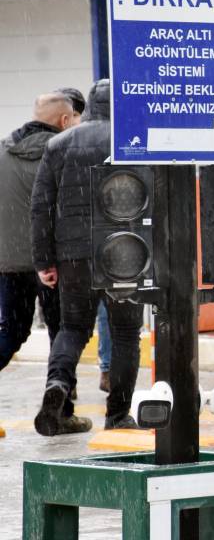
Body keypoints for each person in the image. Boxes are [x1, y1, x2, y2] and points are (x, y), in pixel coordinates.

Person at [31, 79, 146, 434]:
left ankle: (58, 386)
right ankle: (117, 414)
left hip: (74, 254)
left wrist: (44, 260)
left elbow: (40, 206)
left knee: (72, 328)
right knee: (126, 334)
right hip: (126, 251)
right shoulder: (135, 139)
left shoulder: (59, 143)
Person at [0, 92, 78, 372]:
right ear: (65, 119)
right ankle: (60, 403)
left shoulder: (3, 150)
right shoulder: (65, 153)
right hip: (52, 262)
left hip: (9, 263)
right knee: (63, 332)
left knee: (11, 331)